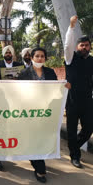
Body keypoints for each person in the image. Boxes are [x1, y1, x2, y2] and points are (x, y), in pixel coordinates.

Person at [18, 47, 58, 183]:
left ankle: (36, 159)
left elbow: (56, 90)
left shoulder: (50, 72)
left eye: (42, 56)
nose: (40, 58)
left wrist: (65, 87)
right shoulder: (24, 73)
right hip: (30, 113)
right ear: (32, 58)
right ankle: (40, 168)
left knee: (41, 139)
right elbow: (19, 93)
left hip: (46, 113)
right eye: (37, 56)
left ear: (45, 58)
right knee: (33, 138)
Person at [64, 15, 93, 168]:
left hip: (88, 100)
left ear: (90, 47)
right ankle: (75, 155)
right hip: (72, 100)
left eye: (87, 45)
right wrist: (71, 27)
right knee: (71, 129)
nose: (84, 47)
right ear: (77, 47)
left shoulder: (91, 61)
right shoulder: (70, 58)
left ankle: (73, 147)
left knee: (89, 128)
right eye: (82, 45)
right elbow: (67, 45)